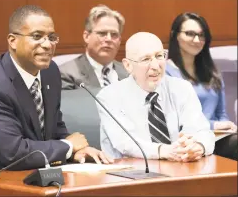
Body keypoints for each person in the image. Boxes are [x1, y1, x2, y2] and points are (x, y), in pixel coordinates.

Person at [0, 5, 113, 171]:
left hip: (40, 173)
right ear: (13, 41)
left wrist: (79, 151)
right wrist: (68, 146)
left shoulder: (50, 71)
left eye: (52, 37)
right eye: (37, 36)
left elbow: (54, 127)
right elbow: (14, 153)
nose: (48, 45)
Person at [96, 32, 215, 162]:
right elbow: (125, 144)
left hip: (178, 167)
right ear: (128, 65)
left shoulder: (181, 88)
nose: (155, 66)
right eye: (146, 59)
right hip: (129, 172)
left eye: (159, 56)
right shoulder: (109, 96)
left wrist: (197, 146)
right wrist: (163, 151)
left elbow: (202, 131)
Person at [166, 12, 237, 160]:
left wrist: (225, 126)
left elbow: (221, 114)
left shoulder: (212, 73)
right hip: (188, 140)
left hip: (217, 138)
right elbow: (175, 120)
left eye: (201, 35)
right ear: (175, 35)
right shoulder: (166, 73)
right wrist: (214, 125)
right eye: (190, 34)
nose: (197, 40)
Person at [59, 5, 128, 90]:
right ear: (87, 36)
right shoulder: (67, 73)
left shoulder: (128, 72)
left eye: (114, 34)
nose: (109, 39)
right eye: (102, 33)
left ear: (120, 40)